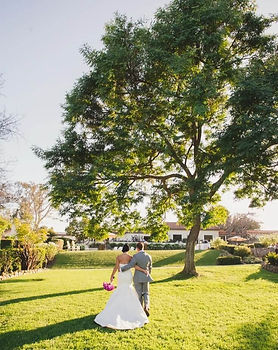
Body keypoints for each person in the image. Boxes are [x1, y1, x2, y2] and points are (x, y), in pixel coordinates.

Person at [94, 243, 149, 330]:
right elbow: (134, 266)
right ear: (128, 249)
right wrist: (143, 270)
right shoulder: (130, 257)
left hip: (121, 275)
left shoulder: (118, 257)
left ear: (122, 249)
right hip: (128, 275)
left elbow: (116, 267)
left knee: (121, 289)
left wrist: (112, 275)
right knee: (129, 289)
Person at [121, 242, 153, 317]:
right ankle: (147, 306)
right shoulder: (148, 256)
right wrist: (148, 274)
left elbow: (131, 265)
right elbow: (150, 267)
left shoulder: (136, 256)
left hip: (138, 277)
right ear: (143, 247)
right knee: (146, 293)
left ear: (137, 248)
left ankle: (140, 309)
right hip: (146, 276)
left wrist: (122, 268)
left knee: (138, 294)